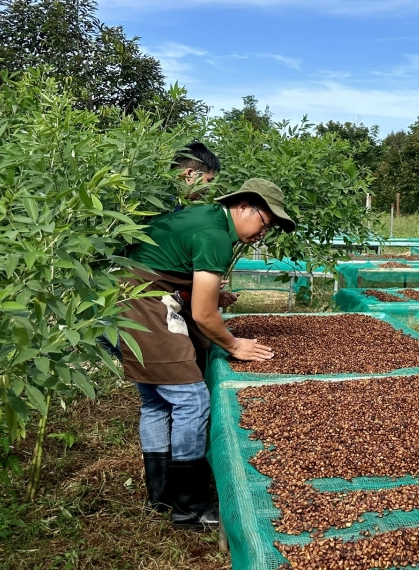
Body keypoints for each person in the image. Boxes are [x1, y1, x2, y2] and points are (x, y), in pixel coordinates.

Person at [121, 178, 296, 530]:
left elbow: (169, 263)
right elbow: (202, 314)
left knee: (156, 401)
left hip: (121, 296)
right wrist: (234, 345)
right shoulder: (215, 235)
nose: (264, 233)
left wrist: (212, 294)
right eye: (265, 223)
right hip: (139, 304)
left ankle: (162, 493)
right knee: (191, 400)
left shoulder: (204, 217)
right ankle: (189, 507)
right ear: (244, 206)